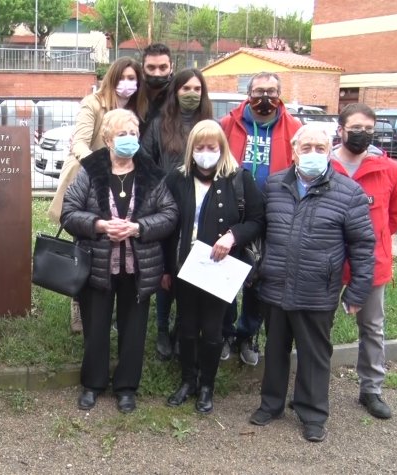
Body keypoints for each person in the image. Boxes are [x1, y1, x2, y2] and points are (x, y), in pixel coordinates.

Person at [249, 124, 375, 442]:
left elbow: (362, 245)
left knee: (315, 353)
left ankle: (313, 413)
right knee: (275, 348)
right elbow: (259, 231)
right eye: (306, 148)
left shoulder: (349, 193)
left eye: (320, 148)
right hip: (275, 284)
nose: (313, 154)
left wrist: (358, 289)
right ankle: (271, 404)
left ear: (330, 151)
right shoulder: (275, 185)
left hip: (317, 288)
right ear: (294, 152)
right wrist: (255, 268)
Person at [61, 109, 178, 414]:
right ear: (108, 139)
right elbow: (69, 212)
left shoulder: (151, 173)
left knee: (134, 329)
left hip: (138, 267)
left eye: (134, 134)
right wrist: (100, 225)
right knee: (96, 327)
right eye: (122, 134)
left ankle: (126, 387)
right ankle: (93, 384)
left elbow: (169, 215)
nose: (129, 140)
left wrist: (139, 228)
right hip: (98, 263)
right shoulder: (91, 170)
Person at [162, 120, 264, 414]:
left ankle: (207, 386)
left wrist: (233, 236)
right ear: (191, 149)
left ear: (221, 148)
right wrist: (167, 269)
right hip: (185, 266)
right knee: (187, 326)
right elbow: (168, 227)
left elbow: (257, 220)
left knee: (213, 329)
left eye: (212, 147)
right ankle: (187, 381)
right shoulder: (177, 179)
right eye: (200, 147)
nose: (206, 153)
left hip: (220, 268)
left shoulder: (238, 179)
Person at [47, 56, 146, 333]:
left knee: (116, 248)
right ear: (112, 78)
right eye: (122, 77)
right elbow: (78, 140)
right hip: (88, 179)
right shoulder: (93, 103)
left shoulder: (138, 108)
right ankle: (79, 305)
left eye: (132, 78)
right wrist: (99, 166)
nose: (127, 84)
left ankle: (110, 311)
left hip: (125, 184)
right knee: (86, 243)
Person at [330, 103, 397, 420]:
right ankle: (313, 385)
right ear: (341, 129)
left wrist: (376, 238)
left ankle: (371, 389)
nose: (362, 134)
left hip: (371, 263)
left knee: (373, 328)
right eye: (356, 128)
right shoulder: (324, 163)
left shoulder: (387, 168)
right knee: (319, 325)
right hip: (328, 259)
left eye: (368, 130)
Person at [219, 72, 301, 365]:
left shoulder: (294, 128)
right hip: (232, 210)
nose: (264, 97)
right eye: (258, 91)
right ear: (248, 94)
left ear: (280, 94)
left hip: (273, 212)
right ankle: (225, 330)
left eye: (271, 91)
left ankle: (248, 333)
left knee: (258, 277)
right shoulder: (229, 124)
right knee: (226, 271)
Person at [140, 68, 213, 360]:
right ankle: (161, 329)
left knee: (190, 268)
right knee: (166, 268)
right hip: (165, 203)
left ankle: (182, 328)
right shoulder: (159, 124)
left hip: (199, 206)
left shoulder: (209, 124)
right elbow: (145, 161)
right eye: (185, 88)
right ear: (176, 92)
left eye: (197, 88)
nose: (192, 94)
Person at [141, 43, 174, 135]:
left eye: (163, 67)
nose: (157, 74)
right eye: (151, 67)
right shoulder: (133, 93)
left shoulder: (179, 94)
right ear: (142, 68)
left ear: (171, 68)